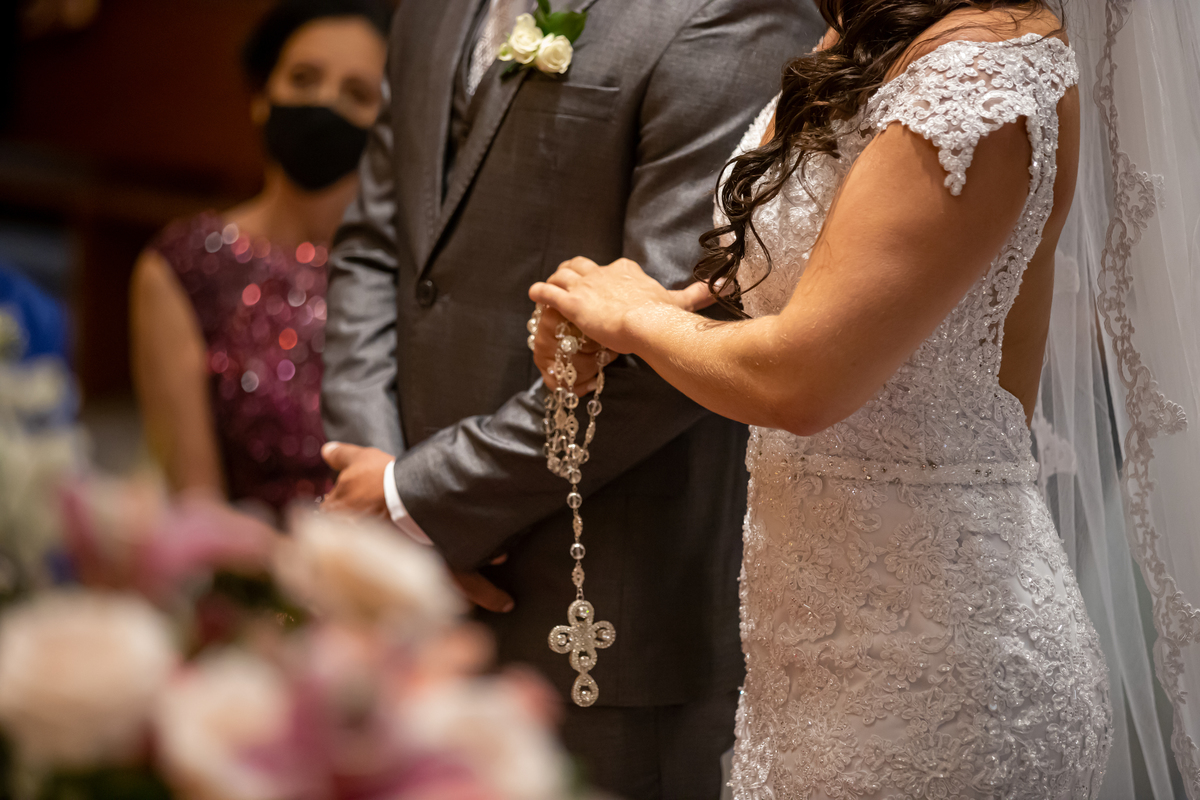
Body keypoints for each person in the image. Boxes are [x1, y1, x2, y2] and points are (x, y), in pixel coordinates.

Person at [529, 2, 1113, 797]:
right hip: (805, 645)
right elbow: (822, 285)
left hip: (939, 668)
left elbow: (803, 380)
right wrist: (647, 317)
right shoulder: (870, 23)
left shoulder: (983, 70)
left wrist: (634, 321)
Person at [316, 0, 823, 795]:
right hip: (402, 597)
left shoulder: (733, 15)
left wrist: (417, 499)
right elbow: (378, 245)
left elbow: (681, 335)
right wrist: (377, 479)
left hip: (595, 605)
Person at [130, 0, 390, 515]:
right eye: (303, 79)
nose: (324, 103)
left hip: (399, 558)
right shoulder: (183, 267)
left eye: (357, 94)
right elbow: (196, 507)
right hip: (248, 558)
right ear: (262, 96)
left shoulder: (409, 271)